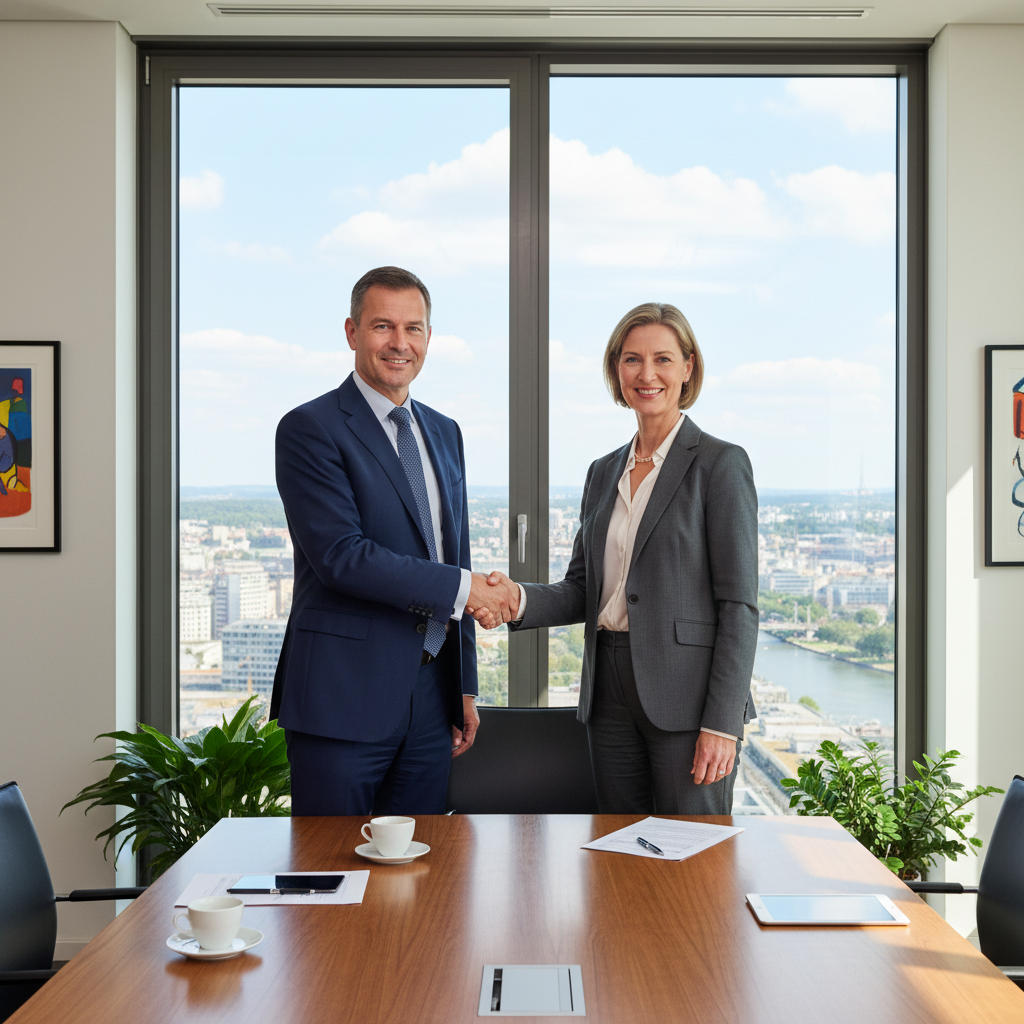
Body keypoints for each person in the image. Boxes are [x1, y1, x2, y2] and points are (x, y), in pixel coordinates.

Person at [478, 302, 758, 814]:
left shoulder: (720, 464)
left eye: (663, 359)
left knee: (691, 856)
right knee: (619, 853)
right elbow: (585, 589)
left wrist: (723, 722)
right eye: (632, 359)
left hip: (688, 699)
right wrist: (515, 599)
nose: (646, 374)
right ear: (615, 369)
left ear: (688, 367)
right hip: (607, 691)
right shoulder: (602, 472)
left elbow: (739, 606)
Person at [270, 266, 515, 816]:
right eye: (383, 326)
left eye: (415, 328)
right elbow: (342, 558)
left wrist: (464, 687)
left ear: (429, 337)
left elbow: (456, 556)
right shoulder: (310, 428)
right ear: (352, 332)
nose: (400, 343)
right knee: (329, 874)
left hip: (431, 701)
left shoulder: (444, 431)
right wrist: (469, 588)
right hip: (342, 698)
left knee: (418, 878)